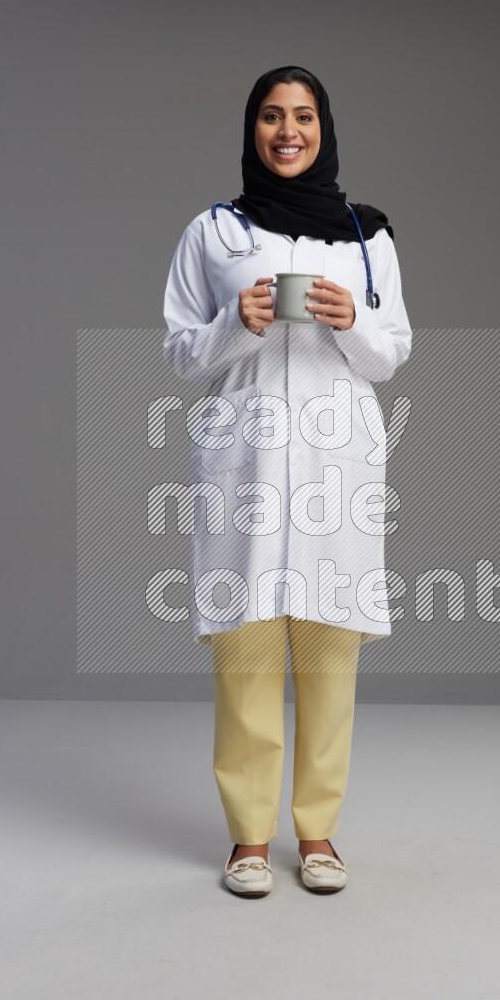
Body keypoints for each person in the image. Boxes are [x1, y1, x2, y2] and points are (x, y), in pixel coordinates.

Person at [162, 65, 412, 896]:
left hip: (335, 465)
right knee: (246, 654)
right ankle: (246, 839)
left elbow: (393, 352)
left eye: (302, 116)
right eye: (271, 116)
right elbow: (177, 350)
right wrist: (238, 322)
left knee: (329, 654)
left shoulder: (366, 236)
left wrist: (353, 322)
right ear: (252, 130)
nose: (287, 131)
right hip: (249, 465)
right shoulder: (215, 232)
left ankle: (318, 832)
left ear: (324, 127)